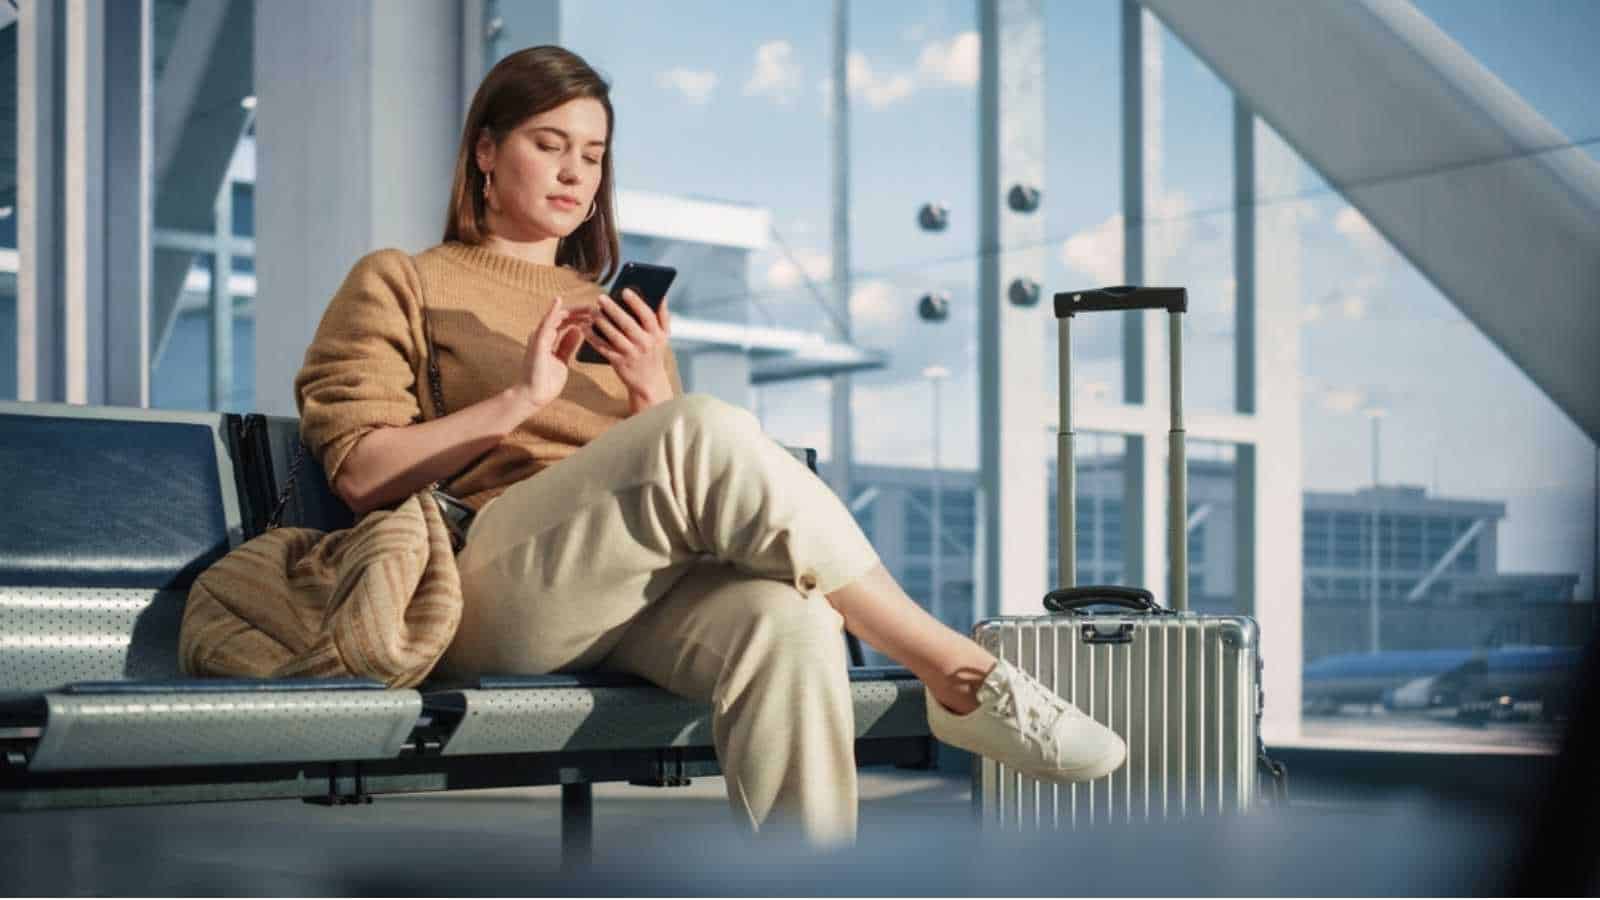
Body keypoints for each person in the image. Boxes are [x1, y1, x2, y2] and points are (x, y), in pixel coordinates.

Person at [294, 45, 1124, 848]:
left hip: (628, 593)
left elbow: (671, 479)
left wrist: (652, 386)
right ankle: (956, 670)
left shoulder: (608, 309)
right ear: (485, 150)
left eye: (592, 153)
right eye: (548, 145)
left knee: (790, 623)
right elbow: (362, 473)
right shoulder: (402, 279)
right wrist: (523, 399)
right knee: (701, 428)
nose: (575, 172)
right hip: (486, 584)